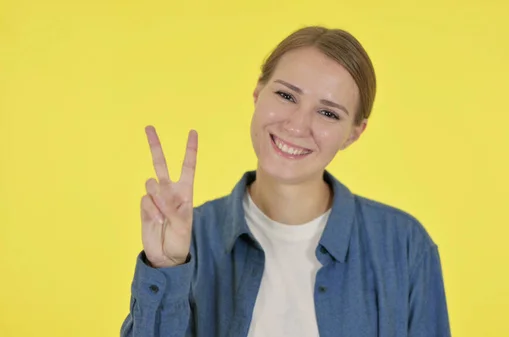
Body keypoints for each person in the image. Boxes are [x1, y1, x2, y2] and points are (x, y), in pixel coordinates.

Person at [120, 25, 451, 337]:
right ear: (258, 93)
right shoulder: (191, 240)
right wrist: (165, 268)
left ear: (353, 134)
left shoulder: (405, 247)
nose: (296, 125)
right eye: (287, 96)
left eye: (328, 113)